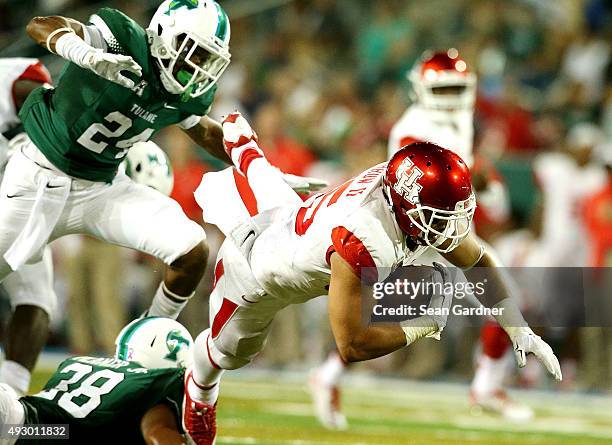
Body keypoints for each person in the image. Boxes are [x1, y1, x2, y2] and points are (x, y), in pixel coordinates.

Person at [182, 112, 561, 445]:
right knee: (225, 354)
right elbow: (352, 343)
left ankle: (243, 145)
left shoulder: (403, 198)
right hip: (258, 269)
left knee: (266, 178)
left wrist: (518, 329)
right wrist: (421, 325)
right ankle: (199, 390)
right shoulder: (365, 235)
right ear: (409, 207)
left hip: (294, 218)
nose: (452, 229)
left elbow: (477, 260)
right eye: (440, 217)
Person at [311, 48, 518, 426]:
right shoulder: (413, 126)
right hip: (416, 231)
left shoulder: (459, 121)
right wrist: (480, 178)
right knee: (388, 314)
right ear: (420, 90)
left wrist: (479, 178)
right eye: (443, 91)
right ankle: (486, 383)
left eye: (458, 90)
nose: (452, 100)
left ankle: (487, 383)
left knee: (495, 287)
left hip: (443, 228)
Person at [0, 317, 194, 445]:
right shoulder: (154, 388)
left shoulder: (82, 362)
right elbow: (157, 433)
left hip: (24, 422)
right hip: (31, 429)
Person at [0, 57, 55, 397]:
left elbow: (55, 108)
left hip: (13, 194)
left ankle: (10, 394)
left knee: (36, 295)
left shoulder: (18, 78)